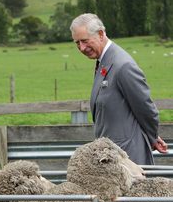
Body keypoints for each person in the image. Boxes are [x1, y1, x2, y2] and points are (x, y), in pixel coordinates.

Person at [70, 13, 168, 165]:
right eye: (77, 43)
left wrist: (152, 136)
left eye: (84, 41)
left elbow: (146, 109)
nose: (81, 48)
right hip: (113, 158)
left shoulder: (122, 65)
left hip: (129, 160)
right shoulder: (104, 62)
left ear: (101, 34)